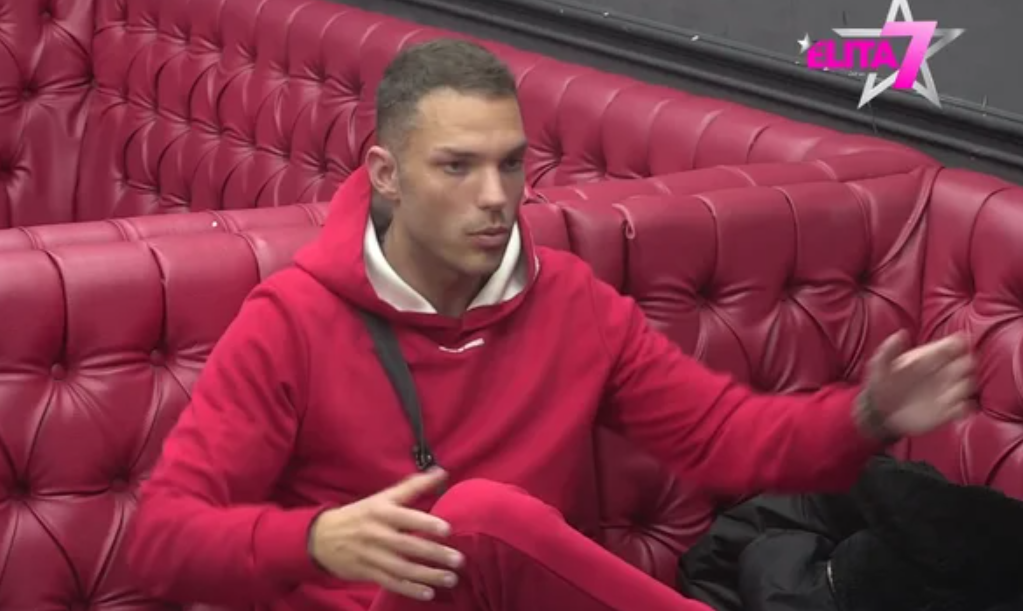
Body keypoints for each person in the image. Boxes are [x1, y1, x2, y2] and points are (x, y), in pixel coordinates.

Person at [125, 39, 975, 611]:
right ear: (385, 174)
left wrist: (869, 415)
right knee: (474, 514)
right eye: (457, 167)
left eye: (510, 164)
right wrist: (315, 538)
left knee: (484, 514)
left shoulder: (569, 300)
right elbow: (161, 541)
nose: (495, 197)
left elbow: (729, 439)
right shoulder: (292, 321)